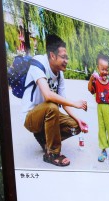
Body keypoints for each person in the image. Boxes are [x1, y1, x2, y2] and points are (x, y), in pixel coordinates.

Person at [22, 34, 89, 167]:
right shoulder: (38, 64)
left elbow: (63, 102)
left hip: (48, 115)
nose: (66, 60)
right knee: (52, 106)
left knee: (75, 126)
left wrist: (78, 119)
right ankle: (52, 154)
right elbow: (47, 95)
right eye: (63, 57)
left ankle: (45, 139)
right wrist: (75, 103)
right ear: (52, 56)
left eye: (67, 57)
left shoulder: (60, 74)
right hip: (31, 117)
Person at [88, 53, 109, 163]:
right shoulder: (96, 82)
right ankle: (103, 151)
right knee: (101, 130)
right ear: (98, 68)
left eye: (107, 69)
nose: (105, 72)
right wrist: (91, 78)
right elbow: (90, 89)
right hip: (100, 107)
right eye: (102, 69)